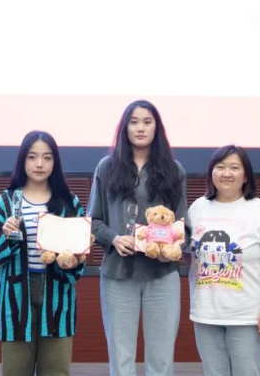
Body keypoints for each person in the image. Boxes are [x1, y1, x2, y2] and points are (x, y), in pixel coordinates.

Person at [89, 100, 188, 376]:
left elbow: (182, 224)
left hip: (162, 273)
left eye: (147, 122)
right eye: (134, 122)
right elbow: (93, 221)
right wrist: (114, 238)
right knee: (121, 357)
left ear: (157, 128)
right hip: (118, 273)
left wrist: (170, 245)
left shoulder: (174, 170)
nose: (140, 128)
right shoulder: (106, 167)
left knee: (161, 358)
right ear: (125, 128)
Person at [0, 131, 86, 376]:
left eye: (47, 157)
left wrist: (73, 262)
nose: (39, 164)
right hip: (16, 294)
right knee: (15, 369)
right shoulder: (5, 202)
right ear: (22, 160)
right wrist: (7, 236)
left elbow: (79, 263)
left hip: (58, 295)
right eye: (32, 157)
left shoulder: (70, 203)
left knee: (56, 370)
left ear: (55, 162)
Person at [188, 145, 260, 376]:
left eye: (234, 167)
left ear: (246, 175)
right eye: (220, 167)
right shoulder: (197, 207)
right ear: (211, 172)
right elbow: (189, 253)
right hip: (206, 314)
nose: (226, 173)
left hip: (247, 316)